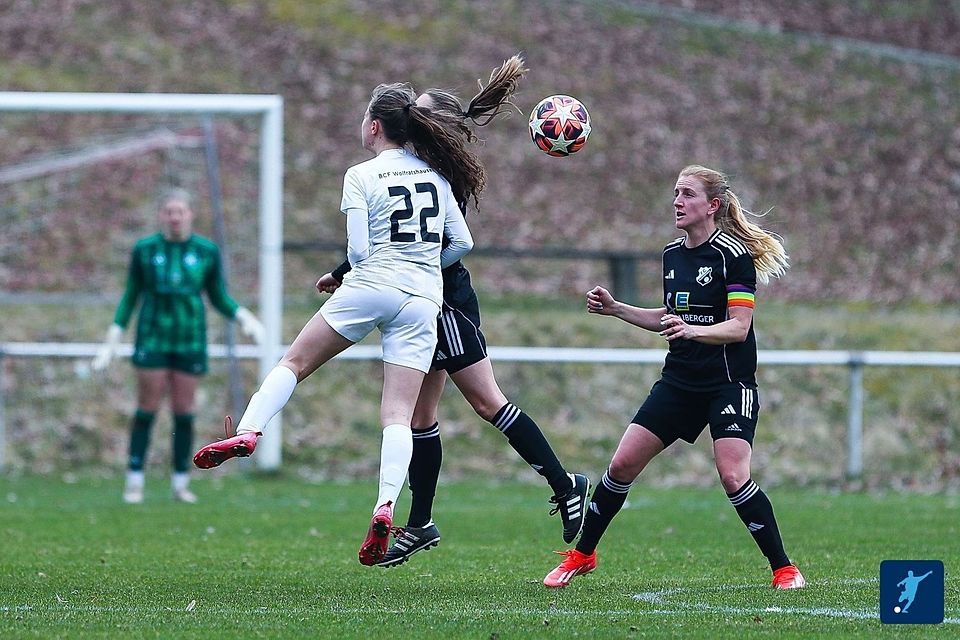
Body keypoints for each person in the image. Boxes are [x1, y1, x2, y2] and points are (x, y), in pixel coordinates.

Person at [316, 55, 590, 569]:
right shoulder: (419, 170)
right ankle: (420, 524)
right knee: (420, 415)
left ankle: (566, 484)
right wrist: (344, 271)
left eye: (420, 112)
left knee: (488, 403)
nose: (411, 118)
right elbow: (392, 237)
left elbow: (433, 242)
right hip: (421, 300)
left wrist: (364, 273)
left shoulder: (442, 177)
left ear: (436, 124)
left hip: (446, 302)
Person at [192, 82, 476, 567]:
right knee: (397, 414)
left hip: (371, 284)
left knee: (295, 362)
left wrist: (371, 271)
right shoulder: (437, 178)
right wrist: (426, 263)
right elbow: (462, 244)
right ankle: (386, 504)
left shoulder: (360, 175)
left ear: (374, 126)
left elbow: (360, 252)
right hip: (423, 297)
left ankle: (249, 430)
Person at [543, 165, 805, 590]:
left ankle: (784, 569)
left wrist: (693, 330)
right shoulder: (672, 255)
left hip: (728, 384)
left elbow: (738, 327)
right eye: (675, 194)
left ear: (712, 206)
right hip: (680, 382)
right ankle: (582, 554)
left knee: (733, 476)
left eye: (686, 194)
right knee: (621, 464)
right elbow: (668, 317)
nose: (677, 202)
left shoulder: (732, 256)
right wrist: (616, 308)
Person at [91, 188, 265, 504]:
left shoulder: (206, 251)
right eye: (169, 211)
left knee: (184, 411)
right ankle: (134, 480)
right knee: (146, 408)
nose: (174, 217)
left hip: (190, 339)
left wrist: (244, 318)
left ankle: (180, 482)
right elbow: (131, 296)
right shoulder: (145, 250)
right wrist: (112, 339)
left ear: (189, 215)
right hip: (153, 338)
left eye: (180, 211)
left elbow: (218, 296)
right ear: (162, 215)